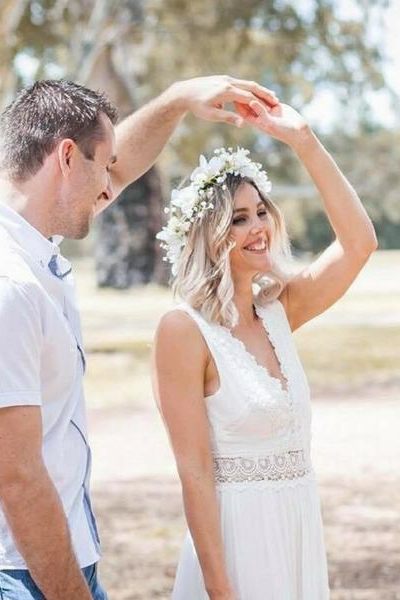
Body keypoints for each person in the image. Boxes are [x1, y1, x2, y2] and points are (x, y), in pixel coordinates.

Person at [0, 76, 279, 600]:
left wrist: (175, 99)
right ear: (65, 157)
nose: (111, 186)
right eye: (102, 168)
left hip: (46, 556)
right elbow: (16, 478)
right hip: (12, 571)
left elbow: (122, 163)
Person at [153, 99, 377, 598]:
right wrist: (219, 586)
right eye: (237, 219)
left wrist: (304, 140)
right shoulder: (182, 332)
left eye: (260, 213)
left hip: (297, 525)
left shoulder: (279, 313)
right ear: (208, 235)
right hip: (238, 545)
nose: (258, 228)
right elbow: (194, 472)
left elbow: (360, 243)